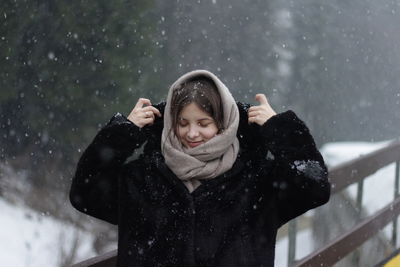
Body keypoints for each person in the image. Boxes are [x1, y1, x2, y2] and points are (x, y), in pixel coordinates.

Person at [70, 70, 330, 266]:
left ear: (224, 122)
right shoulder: (143, 177)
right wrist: (122, 134)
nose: (191, 133)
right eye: (182, 123)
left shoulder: (256, 179)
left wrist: (280, 130)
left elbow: (314, 187)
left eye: (203, 123)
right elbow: (85, 193)